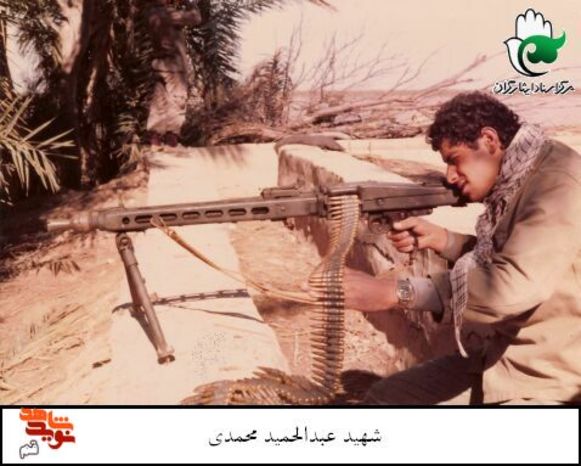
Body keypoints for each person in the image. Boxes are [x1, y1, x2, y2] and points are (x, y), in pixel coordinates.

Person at [342, 91, 581, 405]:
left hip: (548, 377)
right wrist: (444, 240)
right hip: (495, 358)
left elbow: (511, 286)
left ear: (489, 140)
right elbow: (508, 255)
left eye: (454, 160)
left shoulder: (557, 184)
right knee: (385, 398)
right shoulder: (519, 176)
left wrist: (397, 292)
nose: (450, 176)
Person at [145, 0, 202, 146]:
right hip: (174, 67)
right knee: (178, 100)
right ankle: (171, 138)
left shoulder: (151, 14)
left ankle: (155, 138)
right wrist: (190, 3)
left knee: (159, 101)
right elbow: (196, 18)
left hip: (159, 64)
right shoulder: (168, 15)